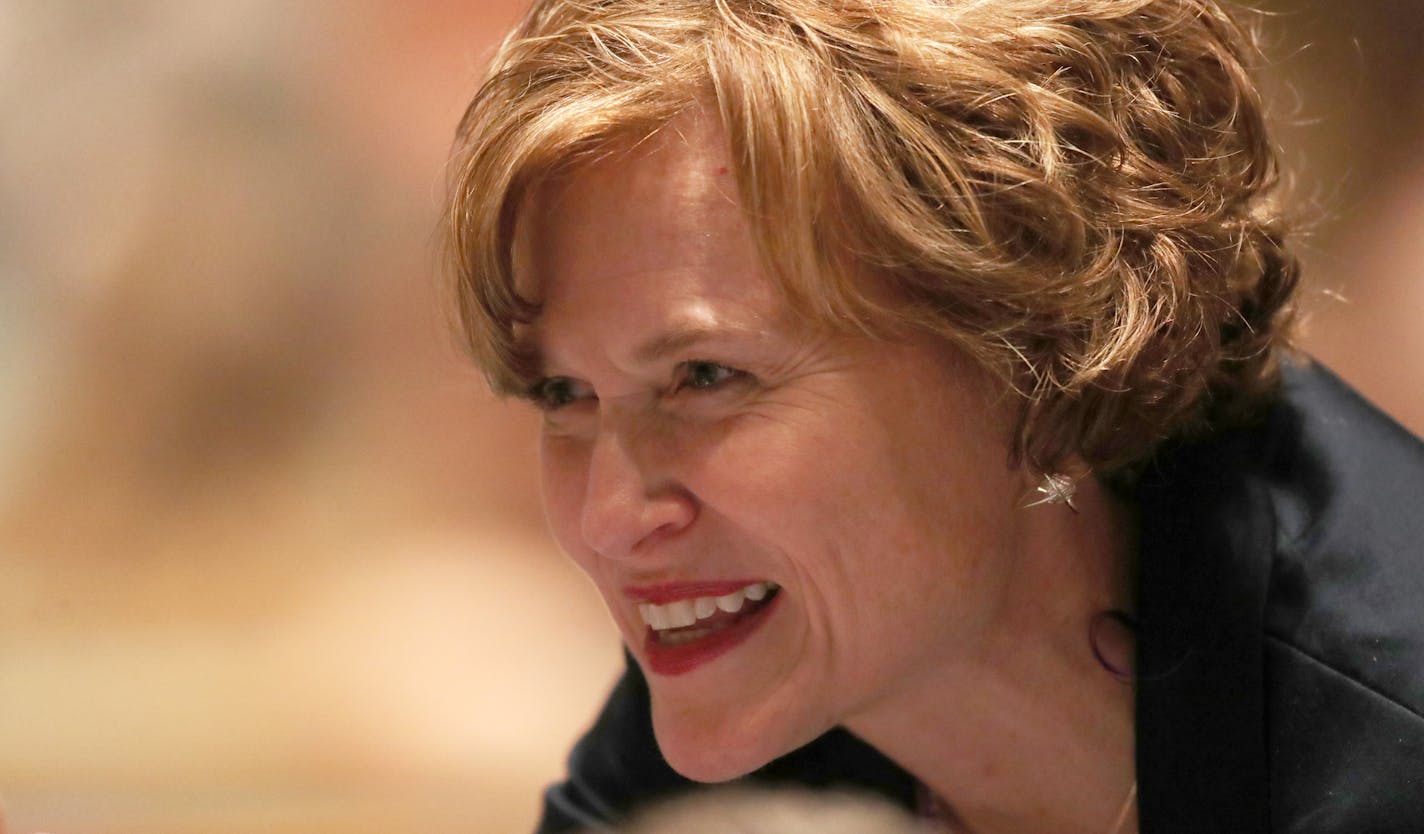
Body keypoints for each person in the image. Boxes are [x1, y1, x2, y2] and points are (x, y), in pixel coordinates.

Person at [445, 1, 1424, 831]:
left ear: (1038, 332)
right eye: (562, 394)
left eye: (704, 377)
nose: (608, 519)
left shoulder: (1381, 744)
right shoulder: (784, 647)